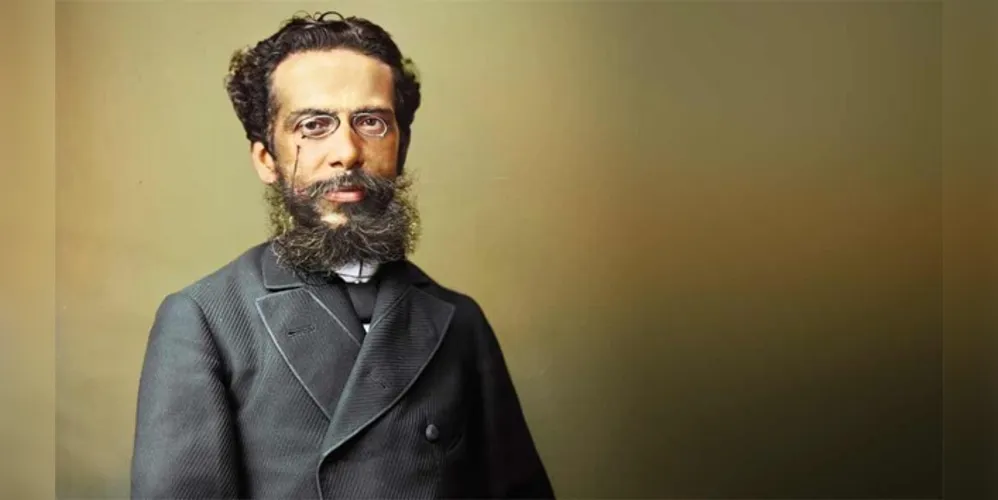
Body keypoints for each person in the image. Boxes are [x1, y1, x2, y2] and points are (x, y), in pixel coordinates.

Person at [130, 11, 554, 500]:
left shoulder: (460, 321)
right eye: (314, 125)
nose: (348, 152)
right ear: (266, 159)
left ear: (400, 146)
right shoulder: (206, 318)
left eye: (371, 122)